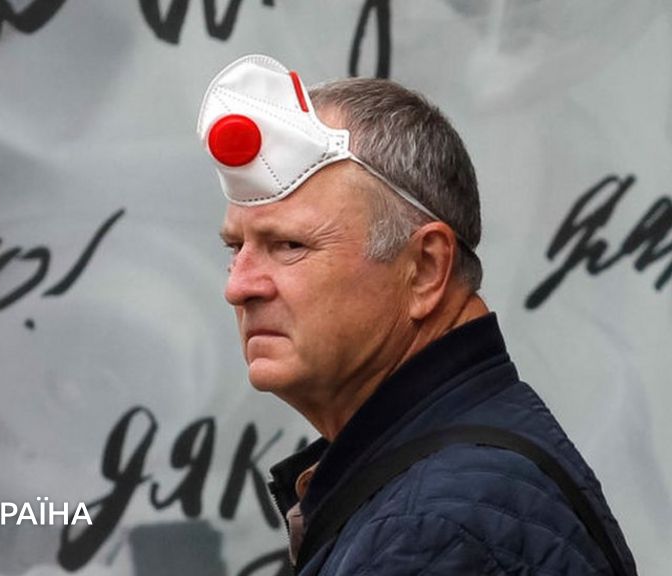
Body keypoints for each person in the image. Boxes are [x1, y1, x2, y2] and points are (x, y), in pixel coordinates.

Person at [197, 55, 637, 575]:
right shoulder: (447, 487)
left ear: (426, 269)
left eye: (289, 245)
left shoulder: (435, 525)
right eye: (236, 248)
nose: (238, 286)